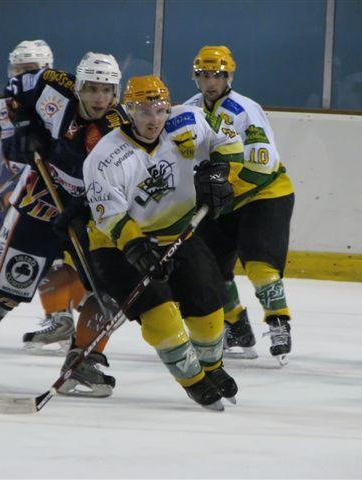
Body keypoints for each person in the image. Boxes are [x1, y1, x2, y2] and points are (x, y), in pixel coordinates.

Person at [0, 51, 128, 398]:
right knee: (3, 294)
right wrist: (26, 123)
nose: (99, 98)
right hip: (39, 205)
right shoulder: (52, 84)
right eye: (92, 89)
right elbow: (15, 88)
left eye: (106, 90)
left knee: (112, 291)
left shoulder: (119, 129)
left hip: (88, 215)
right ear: (78, 87)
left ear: (115, 93)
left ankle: (82, 361)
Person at [83, 75, 243, 410]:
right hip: (118, 246)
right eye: (144, 111)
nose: (154, 119)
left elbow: (227, 141)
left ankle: (212, 367)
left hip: (178, 231)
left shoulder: (188, 121)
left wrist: (220, 173)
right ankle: (193, 380)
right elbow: (110, 218)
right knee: (161, 316)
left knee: (208, 306)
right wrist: (136, 248)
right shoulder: (105, 157)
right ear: (128, 111)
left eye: (160, 110)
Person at [0, 40, 81, 356]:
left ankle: (72, 316)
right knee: (43, 257)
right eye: (19, 70)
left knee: (78, 260)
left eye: (31, 70)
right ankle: (61, 318)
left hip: (67, 191)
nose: (23, 77)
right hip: (32, 194)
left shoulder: (60, 105)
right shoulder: (1, 111)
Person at [185, 46, 295, 363]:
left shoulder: (246, 109)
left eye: (217, 75)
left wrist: (226, 189)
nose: (210, 82)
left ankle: (279, 323)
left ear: (228, 76)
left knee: (260, 264)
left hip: (264, 193)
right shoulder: (189, 110)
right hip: (221, 200)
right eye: (204, 75)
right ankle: (236, 327)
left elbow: (264, 162)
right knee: (208, 268)